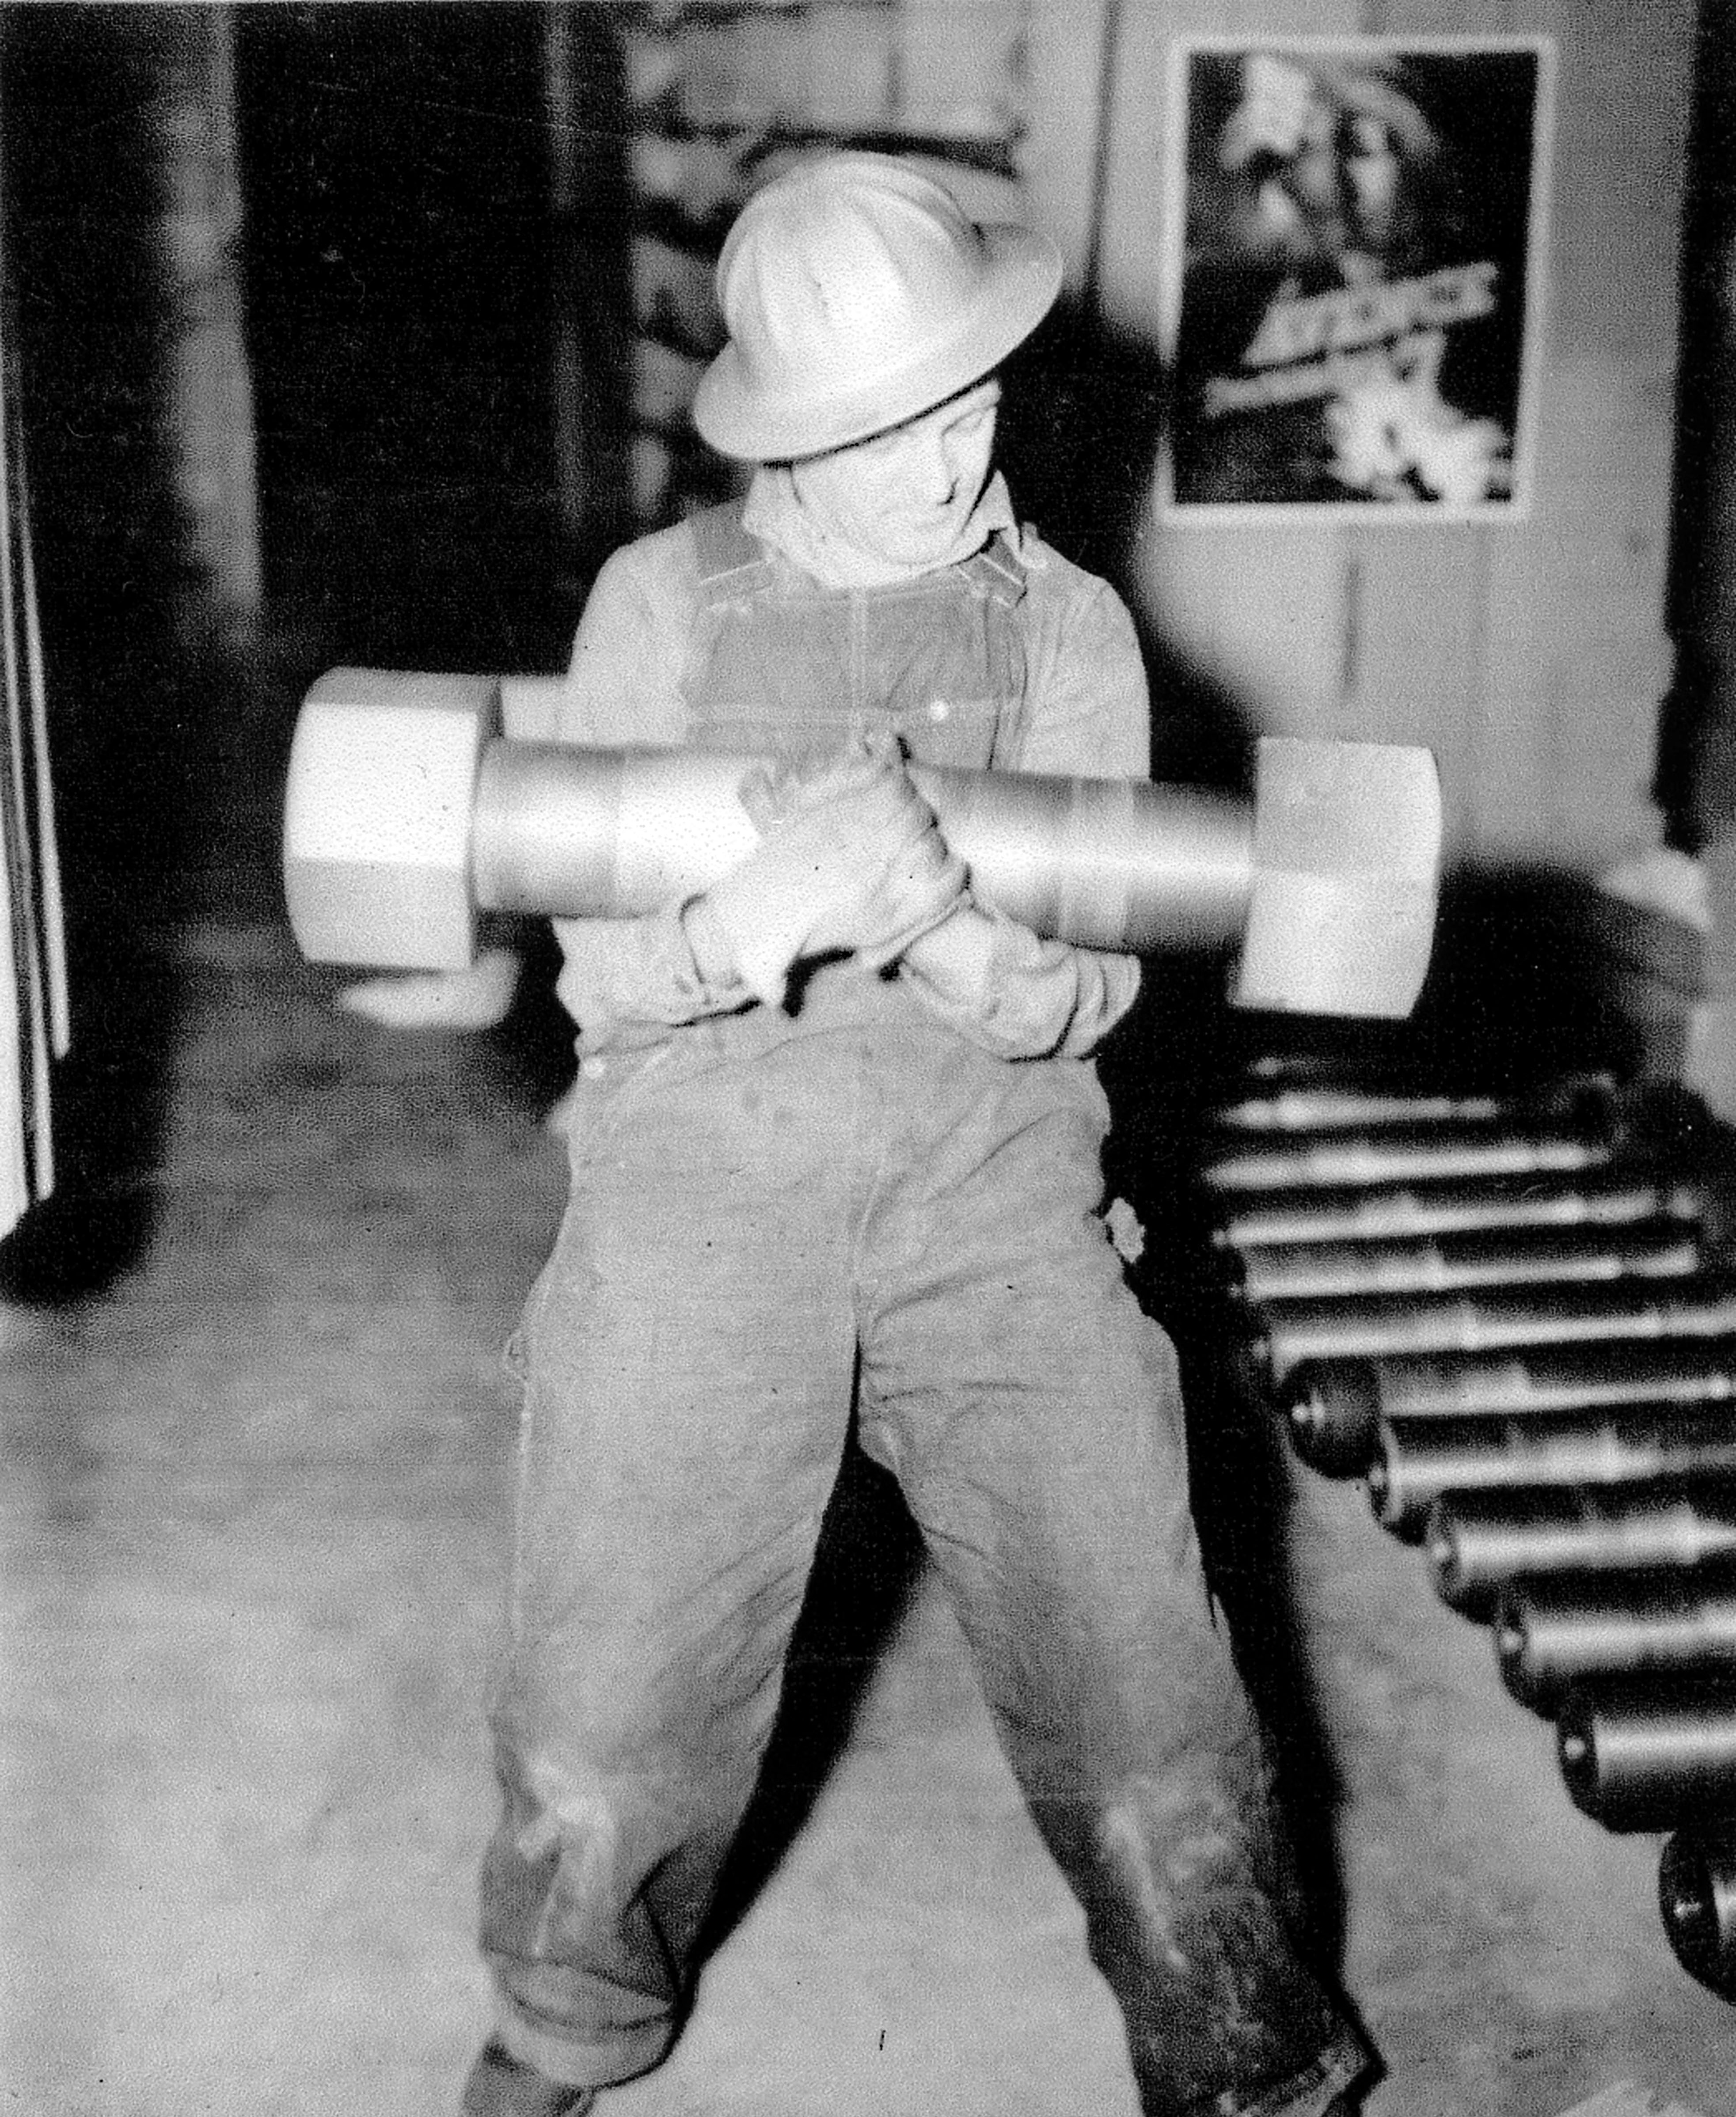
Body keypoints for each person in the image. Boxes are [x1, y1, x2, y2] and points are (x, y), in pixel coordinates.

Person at [463, 152, 1372, 2117]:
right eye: (895, 423)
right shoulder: (659, 606)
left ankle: (1244, 2065)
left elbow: (1094, 995)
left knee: (1147, 1687)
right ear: (791, 431)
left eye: (971, 394)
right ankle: (564, 2022)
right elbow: (601, 986)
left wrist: (946, 924)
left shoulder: (1065, 631)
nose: (957, 450)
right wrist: (751, 916)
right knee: (615, 1699)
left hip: (991, 1177)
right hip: (703, 1169)